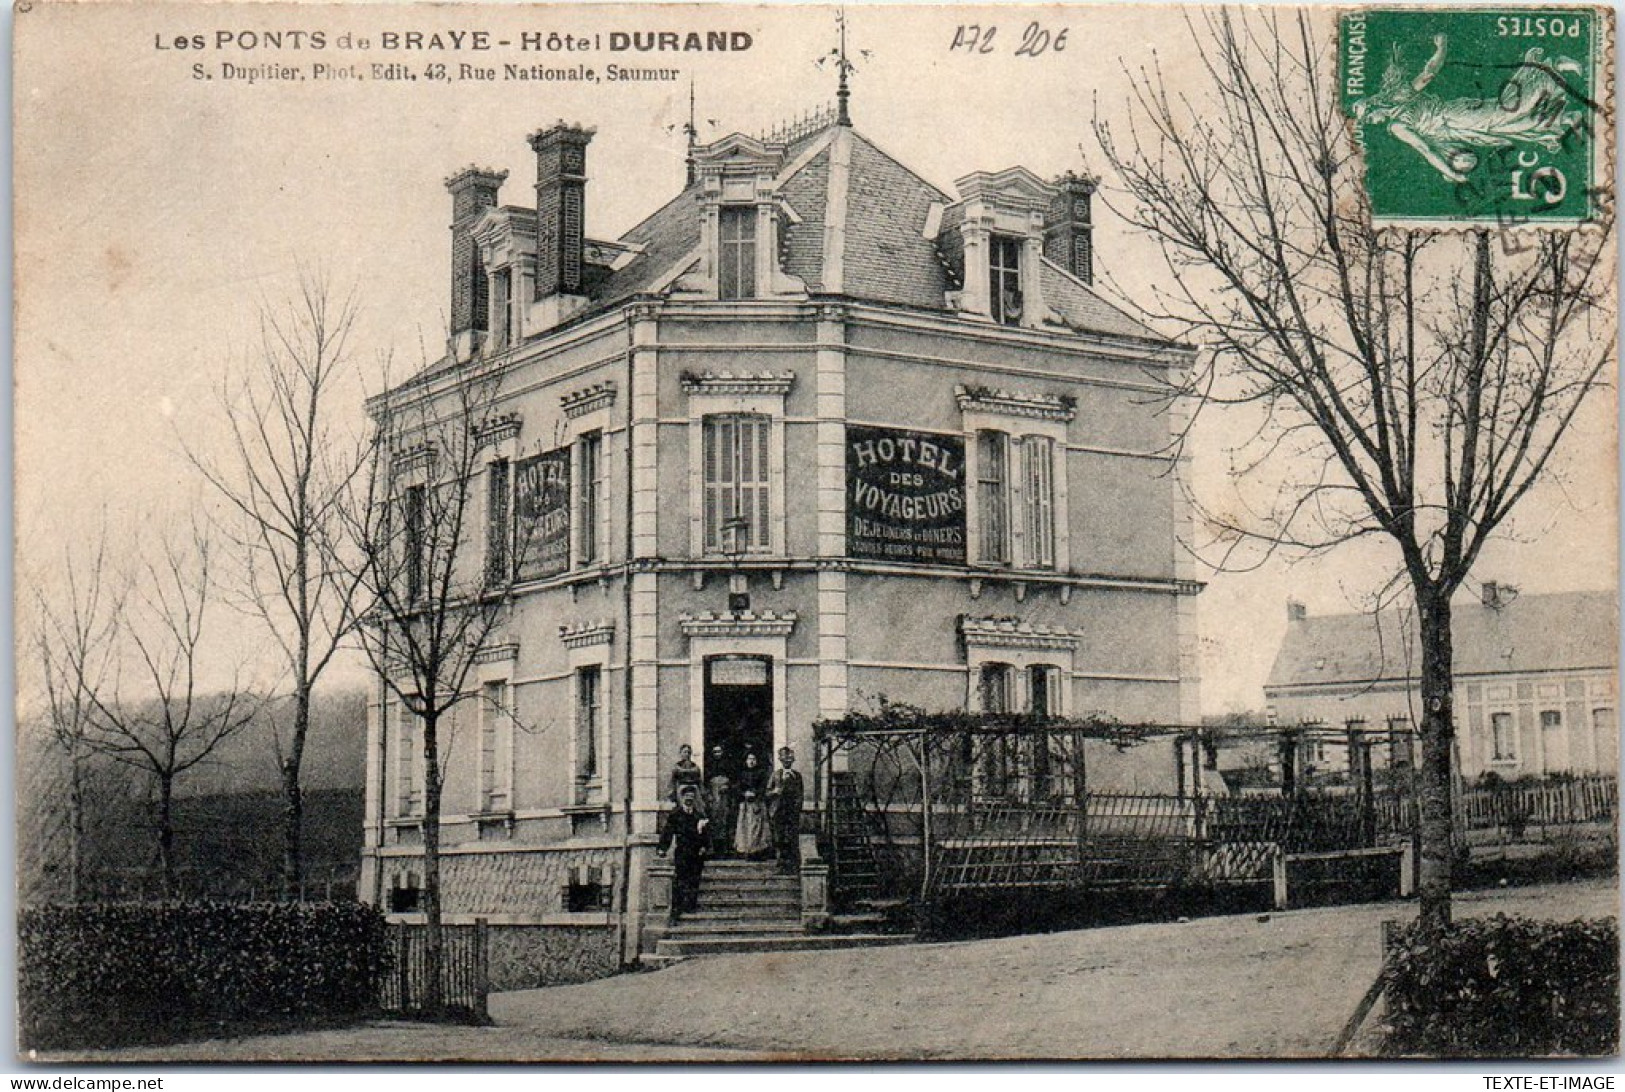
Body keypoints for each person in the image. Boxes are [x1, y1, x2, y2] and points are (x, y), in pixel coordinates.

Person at [656, 785, 710, 920]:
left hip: (696, 853)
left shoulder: (699, 815)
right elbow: (668, 832)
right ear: (682, 798)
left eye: (691, 797)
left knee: (694, 880)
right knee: (680, 879)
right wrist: (663, 848)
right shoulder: (676, 815)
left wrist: (704, 846)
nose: (689, 800)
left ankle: (691, 906)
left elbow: (706, 834)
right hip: (682, 852)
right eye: (687, 797)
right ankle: (677, 909)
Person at [766, 746, 805, 873]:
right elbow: (767, 792)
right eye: (784, 759)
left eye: (789, 758)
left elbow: (800, 794)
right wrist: (774, 792)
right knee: (779, 838)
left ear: (793, 760)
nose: (787, 761)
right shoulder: (776, 775)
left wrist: (797, 808)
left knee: (792, 838)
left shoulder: (796, 776)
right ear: (780, 760)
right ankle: (781, 864)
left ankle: (793, 865)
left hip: (792, 812)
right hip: (778, 811)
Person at [732, 751, 771, 858]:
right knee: (745, 827)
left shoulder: (762, 773)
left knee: (757, 827)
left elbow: (764, 787)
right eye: (749, 759)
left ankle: (757, 850)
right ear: (746, 761)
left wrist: (755, 794)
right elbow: (737, 787)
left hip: (757, 803)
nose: (751, 761)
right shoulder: (741, 774)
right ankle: (746, 850)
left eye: (753, 759)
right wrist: (744, 793)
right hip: (745, 804)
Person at [705, 744, 734, 857]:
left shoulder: (728, 765)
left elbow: (733, 780)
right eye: (715, 752)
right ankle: (714, 849)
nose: (718, 754)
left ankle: (725, 849)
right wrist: (709, 795)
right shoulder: (710, 766)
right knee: (714, 820)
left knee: (725, 820)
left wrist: (728, 786)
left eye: (719, 751)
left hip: (725, 796)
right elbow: (707, 783)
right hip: (714, 794)